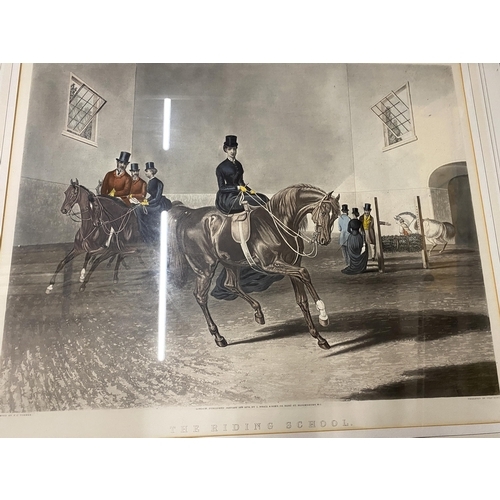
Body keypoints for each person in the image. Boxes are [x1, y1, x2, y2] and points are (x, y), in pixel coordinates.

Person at [215, 135, 269, 215]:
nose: (232, 151)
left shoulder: (238, 164)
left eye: (234, 149)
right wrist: (237, 188)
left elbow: (241, 183)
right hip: (227, 198)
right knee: (254, 201)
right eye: (230, 149)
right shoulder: (221, 167)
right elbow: (222, 188)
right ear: (226, 150)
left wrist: (250, 191)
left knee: (262, 198)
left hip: (239, 194)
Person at [131, 161, 172, 244]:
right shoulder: (150, 181)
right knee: (137, 207)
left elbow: (157, 198)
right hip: (153, 202)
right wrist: (145, 201)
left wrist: (146, 203)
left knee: (139, 209)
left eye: (147, 171)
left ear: (152, 171)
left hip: (159, 204)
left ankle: (145, 233)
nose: (145, 173)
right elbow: (152, 196)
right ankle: (143, 232)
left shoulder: (159, 183)